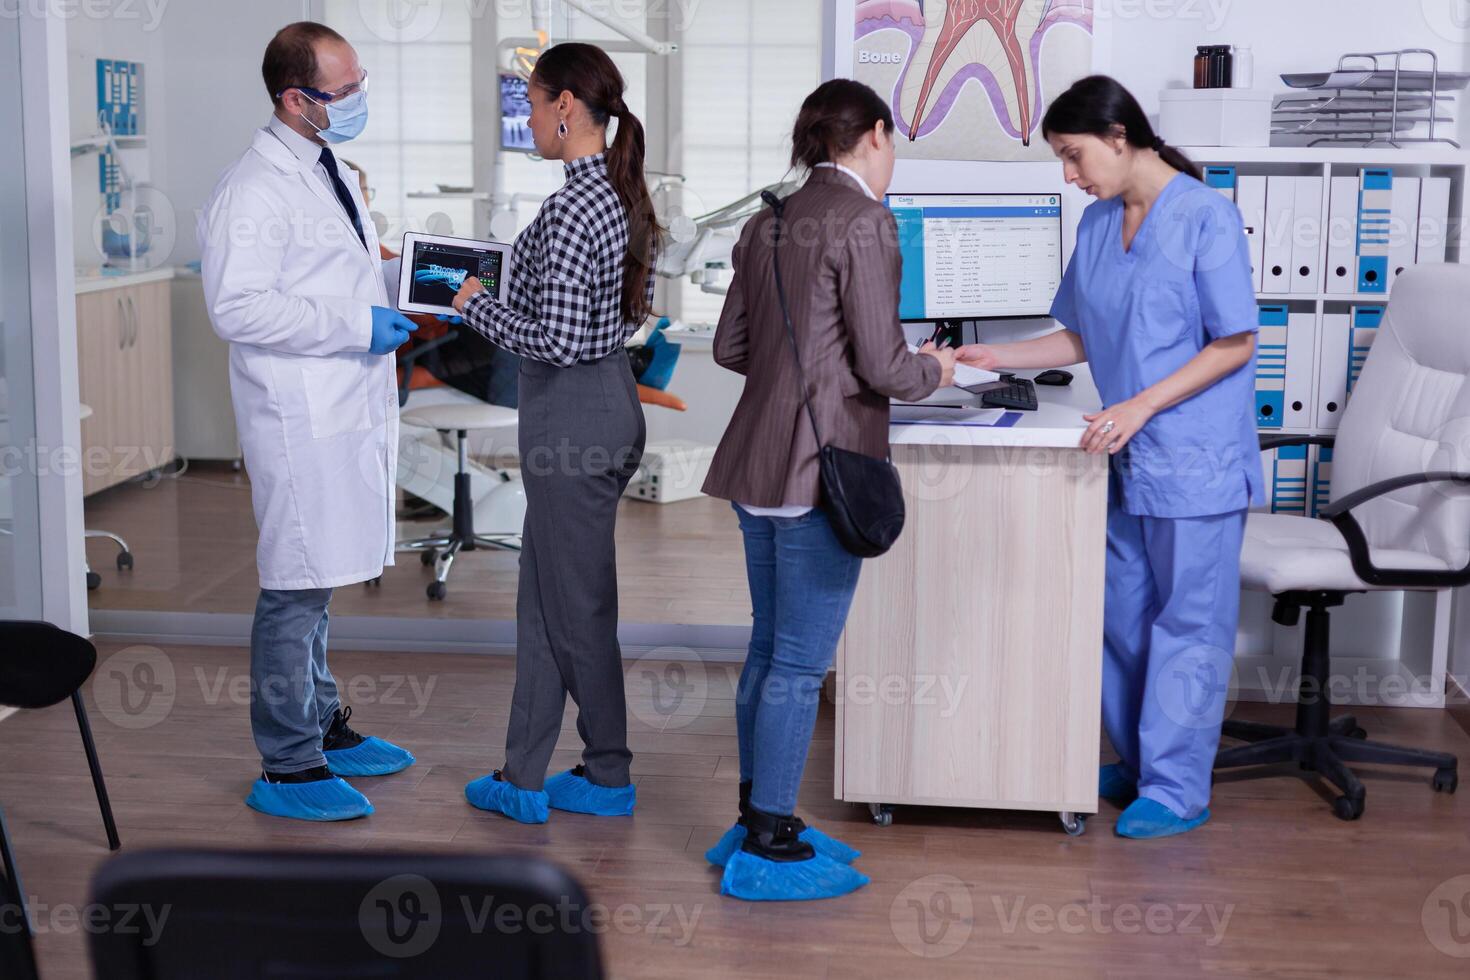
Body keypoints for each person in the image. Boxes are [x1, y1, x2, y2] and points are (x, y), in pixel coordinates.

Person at [954, 75, 1262, 839]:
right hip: (1122, 454)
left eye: (1073, 154)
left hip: (1194, 457)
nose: (1069, 173)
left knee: (1188, 624)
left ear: (1119, 136)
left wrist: (1141, 404)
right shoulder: (1096, 224)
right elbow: (1081, 337)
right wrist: (992, 356)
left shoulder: (1206, 217)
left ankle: (1177, 786)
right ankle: (1138, 759)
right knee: (1121, 614)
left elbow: (1236, 343)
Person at [700, 79, 956, 900]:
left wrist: (802, 361)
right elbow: (885, 367)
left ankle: (752, 817)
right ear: (875, 134)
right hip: (822, 469)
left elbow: (732, 348)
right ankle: (772, 838)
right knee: (801, 663)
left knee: (770, 647)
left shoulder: (766, 218)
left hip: (755, 463)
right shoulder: (864, 221)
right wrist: (938, 367)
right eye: (894, 141)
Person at [198, 21, 418, 822]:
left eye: (360, 82)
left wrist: (417, 276)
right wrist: (357, 327)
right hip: (297, 415)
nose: (360, 99)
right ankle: (288, 764)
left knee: (319, 577)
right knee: (294, 586)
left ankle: (323, 723)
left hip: (344, 403)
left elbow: (344, 268)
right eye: (346, 90)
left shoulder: (327, 168)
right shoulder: (250, 189)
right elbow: (237, 305)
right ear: (297, 98)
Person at [451, 43, 657, 824]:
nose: (527, 119)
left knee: (575, 609)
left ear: (566, 105)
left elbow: (562, 341)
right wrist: (499, 276)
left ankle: (608, 775)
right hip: (593, 405)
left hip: (575, 409)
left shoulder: (575, 206)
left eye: (532, 104)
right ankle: (522, 776)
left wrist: (473, 303)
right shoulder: (607, 192)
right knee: (544, 603)